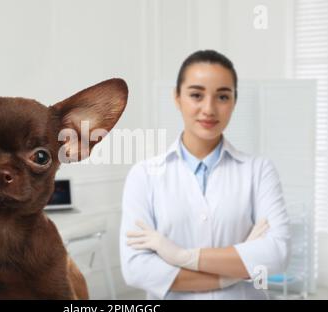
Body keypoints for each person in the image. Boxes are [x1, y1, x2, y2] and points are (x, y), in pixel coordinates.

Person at [119, 49, 291, 299]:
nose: (209, 109)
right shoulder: (144, 175)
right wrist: (236, 270)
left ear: (234, 102)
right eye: (196, 95)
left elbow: (277, 255)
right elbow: (137, 269)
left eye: (222, 96)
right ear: (177, 97)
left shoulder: (259, 171)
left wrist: (181, 256)